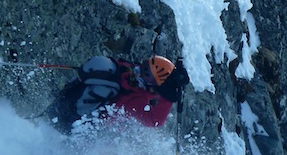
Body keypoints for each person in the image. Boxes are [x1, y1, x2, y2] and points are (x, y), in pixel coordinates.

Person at [45, 54, 190, 136]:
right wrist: (168, 97)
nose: (141, 71)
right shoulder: (136, 99)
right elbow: (155, 121)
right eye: (145, 67)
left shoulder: (123, 69)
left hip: (61, 109)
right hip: (82, 134)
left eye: (147, 72)